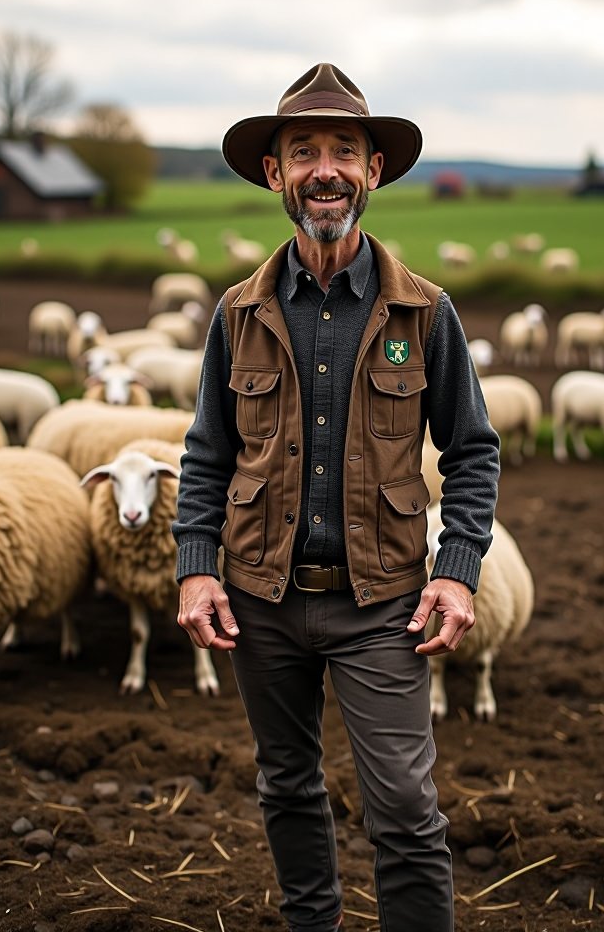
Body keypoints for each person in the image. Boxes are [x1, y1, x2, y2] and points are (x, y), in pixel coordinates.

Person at [174, 63, 500, 932]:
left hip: (381, 604)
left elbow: (473, 451)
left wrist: (458, 572)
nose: (327, 169)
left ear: (374, 172)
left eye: (345, 151)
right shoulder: (237, 313)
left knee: (402, 805)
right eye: (304, 151)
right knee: (286, 784)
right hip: (261, 600)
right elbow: (205, 454)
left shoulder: (424, 313)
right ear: (276, 174)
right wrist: (196, 569)